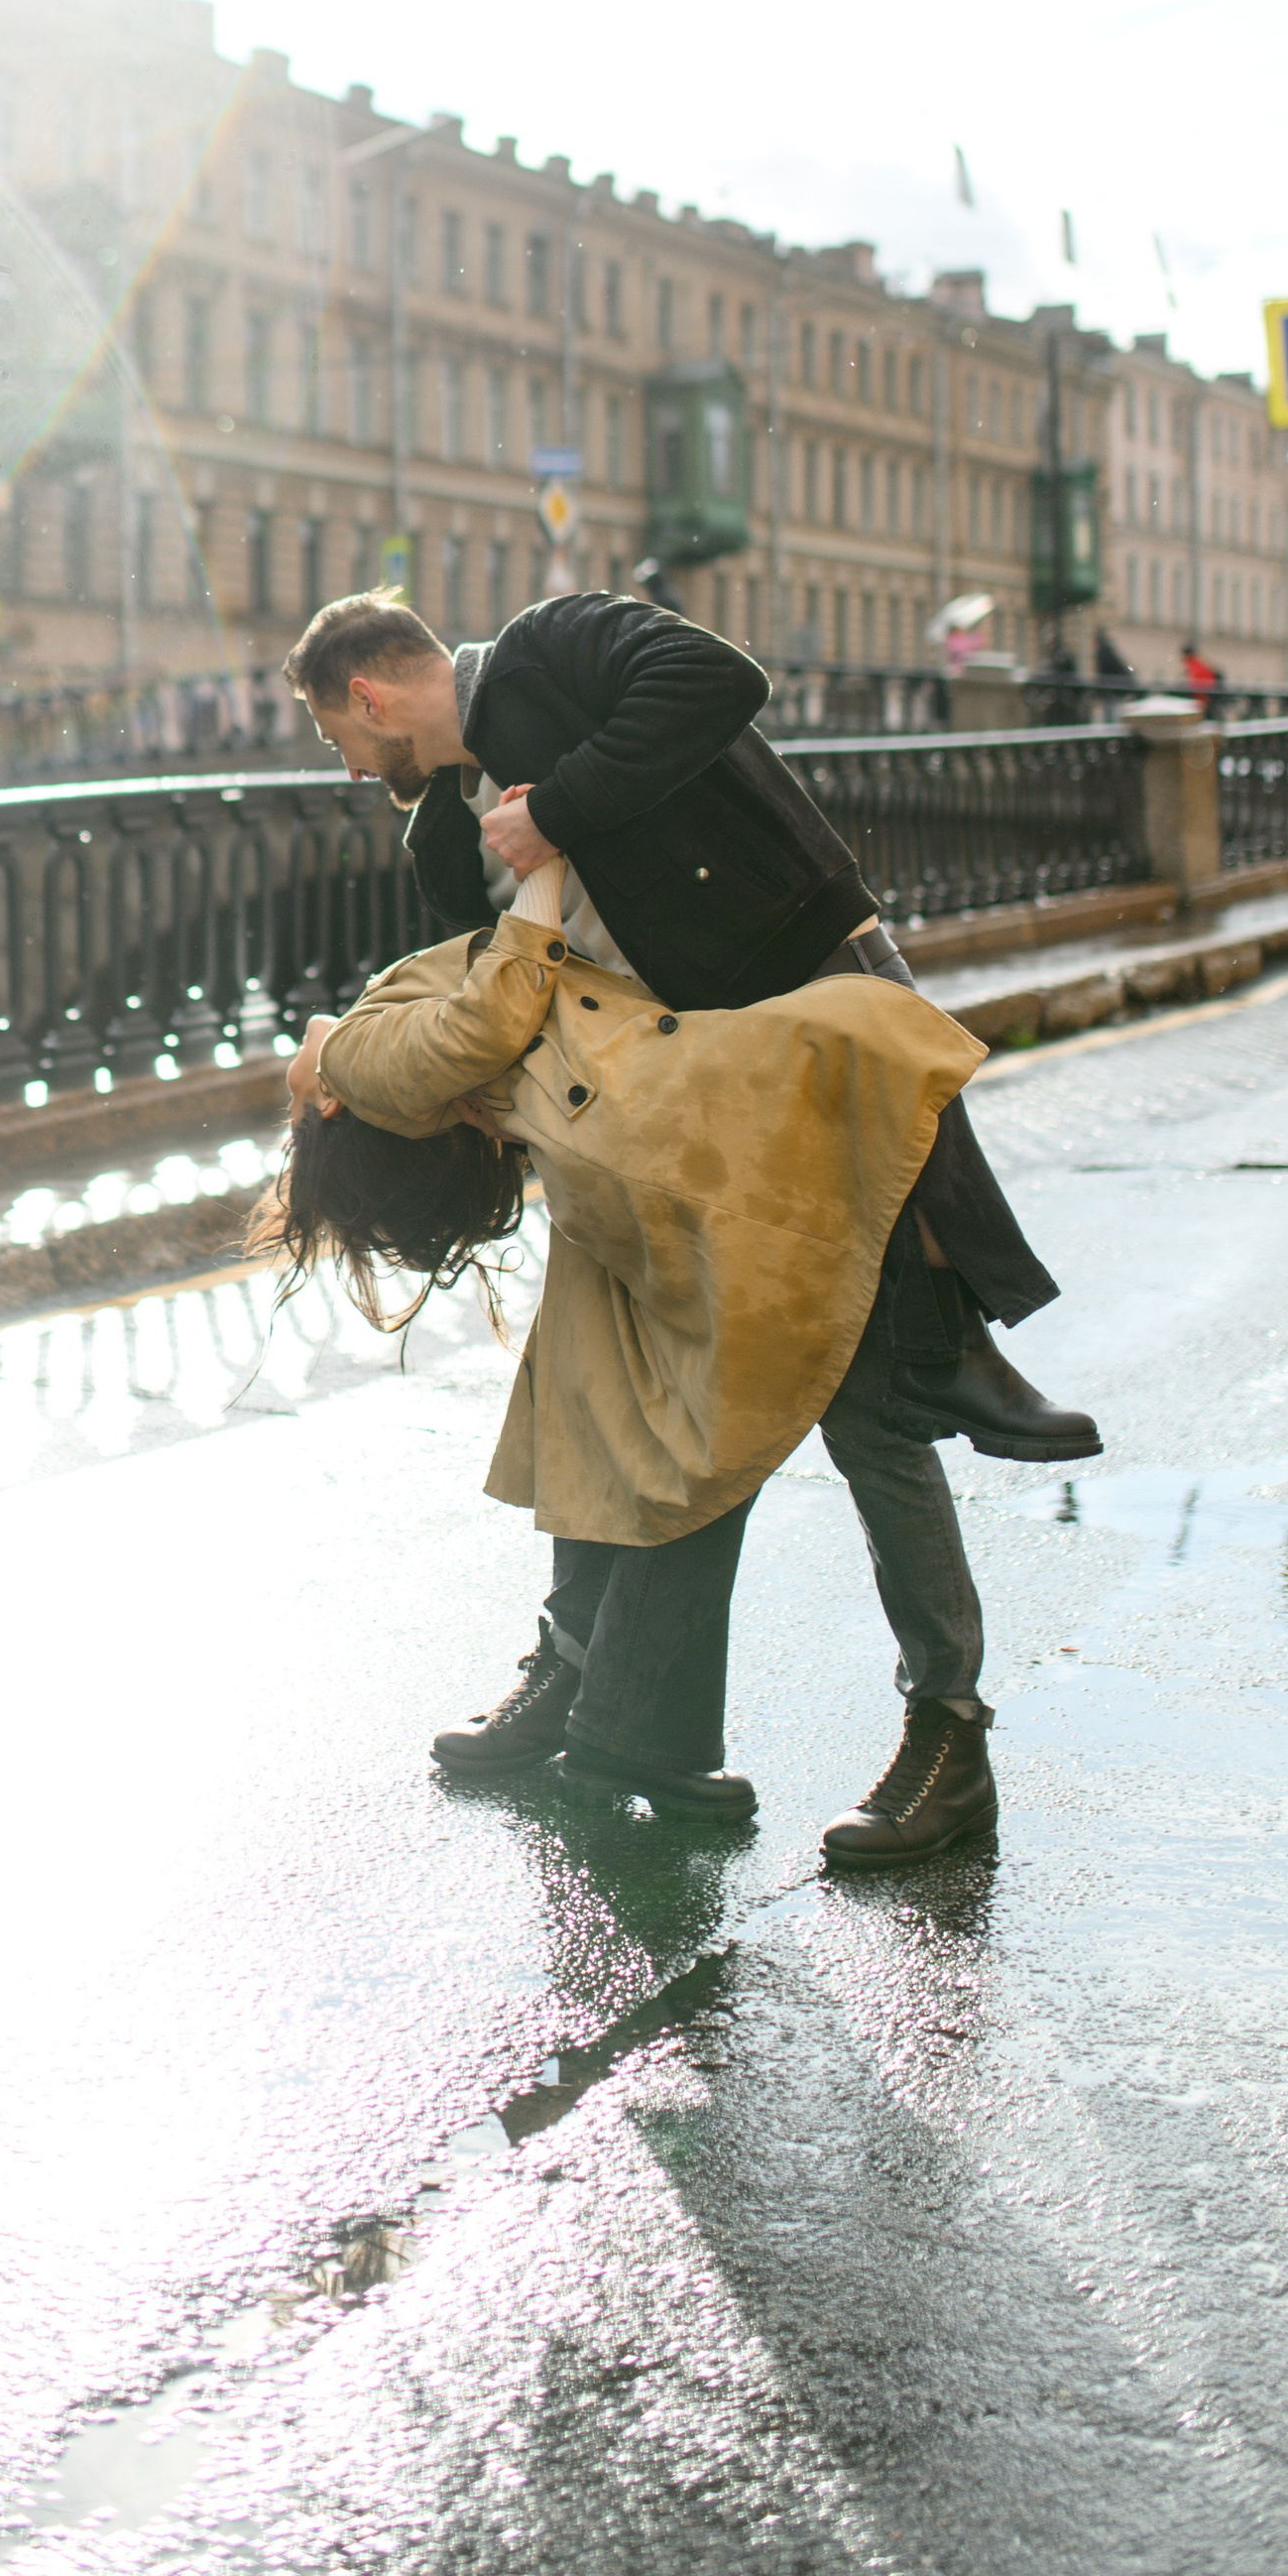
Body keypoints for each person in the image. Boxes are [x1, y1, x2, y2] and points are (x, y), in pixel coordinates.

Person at [279, 586, 1102, 1857]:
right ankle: (573, 1675)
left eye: (337, 734)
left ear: (370, 695)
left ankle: (947, 1732)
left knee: (870, 1407)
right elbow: (498, 990)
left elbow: (718, 680)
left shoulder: (554, 650)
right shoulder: (444, 838)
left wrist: (553, 811)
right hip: (648, 1131)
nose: (346, 762)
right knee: (592, 1388)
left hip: (788, 1030)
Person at [267, 845, 995, 1859]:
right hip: (725, 1129)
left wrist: (545, 847)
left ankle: (940, 1729)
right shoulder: (401, 1061)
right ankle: (602, 1679)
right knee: (600, 1394)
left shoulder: (390, 1050)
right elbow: (464, 1011)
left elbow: (430, 1019)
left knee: (864, 1432)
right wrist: (545, 856)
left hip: (749, 1115)